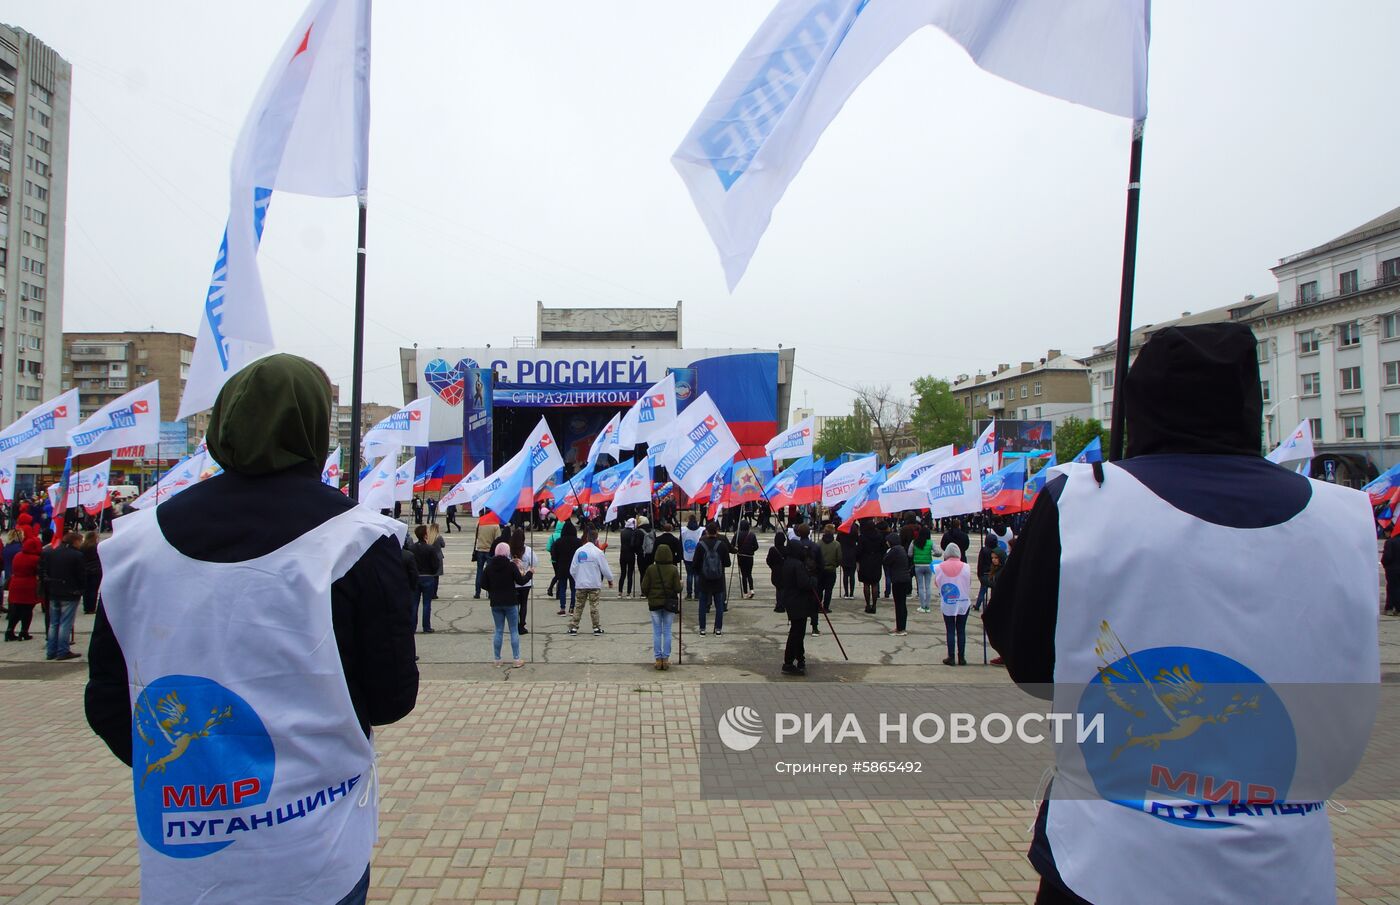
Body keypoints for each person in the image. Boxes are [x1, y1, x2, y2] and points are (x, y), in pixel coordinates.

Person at [985, 323, 1380, 905]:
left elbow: (1029, 662)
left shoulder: (1083, 501)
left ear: (1142, 402)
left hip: (1108, 863)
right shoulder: (1350, 516)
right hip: (1283, 866)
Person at [84, 354, 417, 905]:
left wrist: (199, 779)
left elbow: (108, 704)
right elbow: (390, 697)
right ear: (313, 427)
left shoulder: (132, 547)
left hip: (184, 852)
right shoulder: (357, 542)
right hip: (313, 847)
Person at [40, 531, 86, 661]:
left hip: (54, 591)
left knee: (54, 623)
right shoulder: (77, 555)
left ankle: (51, 650)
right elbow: (81, 575)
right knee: (65, 623)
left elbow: (45, 570)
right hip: (70, 592)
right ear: (75, 541)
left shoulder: (52, 552)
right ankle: (62, 650)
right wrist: (81, 589)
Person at [480, 542, 525, 667]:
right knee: (513, 630)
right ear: (507, 552)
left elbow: (483, 584)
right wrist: (530, 573)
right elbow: (520, 581)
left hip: (496, 602)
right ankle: (516, 659)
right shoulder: (510, 566)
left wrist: (492, 589)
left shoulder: (489, 566)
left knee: (498, 630)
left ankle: (497, 659)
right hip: (510, 601)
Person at [640, 542, 681, 669]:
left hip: (654, 603)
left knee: (657, 631)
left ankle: (658, 659)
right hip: (669, 604)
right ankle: (666, 658)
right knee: (667, 631)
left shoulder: (651, 569)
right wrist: (682, 584)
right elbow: (678, 589)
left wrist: (649, 596)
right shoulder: (673, 569)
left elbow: (644, 587)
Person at [778, 537, 815, 676]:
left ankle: (800, 658)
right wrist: (813, 580)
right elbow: (804, 583)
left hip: (791, 600)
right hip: (798, 601)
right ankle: (788, 662)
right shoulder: (797, 565)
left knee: (797, 632)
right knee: (796, 633)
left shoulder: (787, 562)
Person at [568, 529, 614, 634]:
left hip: (581, 584)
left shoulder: (579, 551)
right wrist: (610, 580)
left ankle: (574, 627)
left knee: (578, 605)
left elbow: (572, 569)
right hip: (594, 584)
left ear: (587, 538)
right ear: (596, 539)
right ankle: (596, 627)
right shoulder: (598, 552)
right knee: (594, 606)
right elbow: (605, 568)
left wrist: (577, 578)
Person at [934, 545, 970, 664]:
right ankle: (962, 657)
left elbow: (937, 583)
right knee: (961, 630)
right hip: (963, 601)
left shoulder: (939, 567)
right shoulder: (966, 567)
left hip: (948, 601)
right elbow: (968, 582)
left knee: (950, 630)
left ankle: (951, 656)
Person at [694, 521, 731, 636]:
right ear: (717, 531)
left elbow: (695, 563)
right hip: (718, 579)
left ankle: (702, 629)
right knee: (719, 605)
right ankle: (718, 628)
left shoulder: (700, 544)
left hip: (704, 579)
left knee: (703, 604)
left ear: (706, 531)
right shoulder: (722, 545)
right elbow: (728, 563)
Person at [4, 535, 40, 643]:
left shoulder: (18, 555)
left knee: (16, 609)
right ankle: (24, 632)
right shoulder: (35, 559)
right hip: (28, 585)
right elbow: (37, 572)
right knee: (27, 609)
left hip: (15, 584)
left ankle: (9, 631)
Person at [409, 524, 442, 633]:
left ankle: (412, 627)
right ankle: (426, 626)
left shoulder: (412, 548)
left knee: (414, 603)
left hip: (416, 577)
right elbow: (435, 564)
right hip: (427, 577)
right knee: (427, 603)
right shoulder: (430, 548)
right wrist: (432, 572)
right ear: (424, 535)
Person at [509, 529, 537, 635]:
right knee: (524, 604)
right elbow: (535, 562)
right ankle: (522, 625)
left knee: (515, 604)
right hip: (526, 582)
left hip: (513, 582)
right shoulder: (528, 551)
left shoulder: (509, 550)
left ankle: (515, 624)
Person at [552, 520, 581, 615]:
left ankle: (562, 608)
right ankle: (572, 608)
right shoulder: (578, 542)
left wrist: (557, 565)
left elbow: (554, 556)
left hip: (562, 567)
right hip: (574, 568)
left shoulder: (558, 542)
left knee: (562, 588)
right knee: (573, 588)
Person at [984, 549, 1006, 667]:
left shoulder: (1003, 570)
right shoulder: (995, 569)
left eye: (996, 558)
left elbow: (1001, 586)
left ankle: (1004, 655)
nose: (994, 560)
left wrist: (989, 583)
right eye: (992, 558)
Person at [856, 520, 884, 613]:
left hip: (865, 560)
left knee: (866, 583)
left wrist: (858, 559)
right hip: (876, 560)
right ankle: (875, 604)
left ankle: (868, 604)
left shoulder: (862, 537)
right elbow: (883, 548)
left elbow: (859, 550)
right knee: (875, 583)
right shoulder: (879, 536)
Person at [910, 526, 938, 614]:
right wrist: (933, 554)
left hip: (918, 565)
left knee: (921, 586)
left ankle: (922, 606)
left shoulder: (914, 542)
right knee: (928, 586)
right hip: (928, 565)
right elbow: (938, 552)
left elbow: (909, 553)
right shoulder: (930, 543)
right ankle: (927, 606)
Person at [733, 519, 760, 599]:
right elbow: (756, 546)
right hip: (749, 557)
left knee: (743, 574)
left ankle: (745, 592)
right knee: (749, 574)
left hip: (741, 556)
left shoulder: (737, 534)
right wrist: (751, 550)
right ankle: (751, 589)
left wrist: (737, 549)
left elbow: (732, 544)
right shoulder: (752, 535)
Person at [817, 525, 840, 613]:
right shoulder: (836, 544)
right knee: (828, 590)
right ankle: (826, 607)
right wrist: (835, 565)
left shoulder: (819, 543)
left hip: (820, 570)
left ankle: (818, 606)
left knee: (819, 589)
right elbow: (839, 558)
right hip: (831, 569)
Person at [974, 531, 999, 613]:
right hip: (993, 573)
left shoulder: (984, 550)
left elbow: (980, 563)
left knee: (982, 591)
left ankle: (977, 605)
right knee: (993, 590)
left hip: (984, 573)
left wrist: (979, 574)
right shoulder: (996, 550)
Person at [472, 517, 496, 599]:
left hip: (480, 549)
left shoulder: (480, 523)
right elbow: (497, 538)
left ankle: (477, 592)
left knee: (479, 571)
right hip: (490, 550)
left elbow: (476, 535)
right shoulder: (495, 524)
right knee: (490, 572)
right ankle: (490, 592)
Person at [680, 516, 703, 600]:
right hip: (697, 556)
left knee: (689, 575)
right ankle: (697, 594)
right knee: (697, 575)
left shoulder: (683, 530)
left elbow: (680, 542)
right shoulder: (701, 530)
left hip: (687, 556)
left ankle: (689, 594)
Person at [80, 530, 102, 615]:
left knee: (86, 590)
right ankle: (92, 607)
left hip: (85, 570)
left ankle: (86, 607)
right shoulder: (97, 547)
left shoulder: (82, 547)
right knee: (93, 590)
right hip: (95, 570)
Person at [766, 532, 787, 612]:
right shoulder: (786, 549)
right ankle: (781, 604)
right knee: (782, 588)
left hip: (775, 571)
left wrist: (772, 567)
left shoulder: (772, 549)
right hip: (784, 571)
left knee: (779, 588)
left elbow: (768, 561)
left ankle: (779, 604)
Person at [837, 520, 858, 599]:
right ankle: (851, 593)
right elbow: (857, 540)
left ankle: (846, 593)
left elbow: (838, 541)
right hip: (852, 553)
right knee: (852, 574)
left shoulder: (842, 529)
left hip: (844, 553)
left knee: (845, 574)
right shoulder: (854, 528)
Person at [617, 518, 638, 597]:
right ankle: (628, 592)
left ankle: (620, 592)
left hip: (623, 554)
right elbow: (633, 544)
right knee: (630, 574)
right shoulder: (633, 532)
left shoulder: (622, 532)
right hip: (631, 554)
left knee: (623, 573)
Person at [1383, 527, 1400, 616]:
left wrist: (1384, 563)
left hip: (1392, 569)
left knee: (1391, 588)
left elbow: (1387, 557)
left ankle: (1390, 607)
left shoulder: (1390, 542)